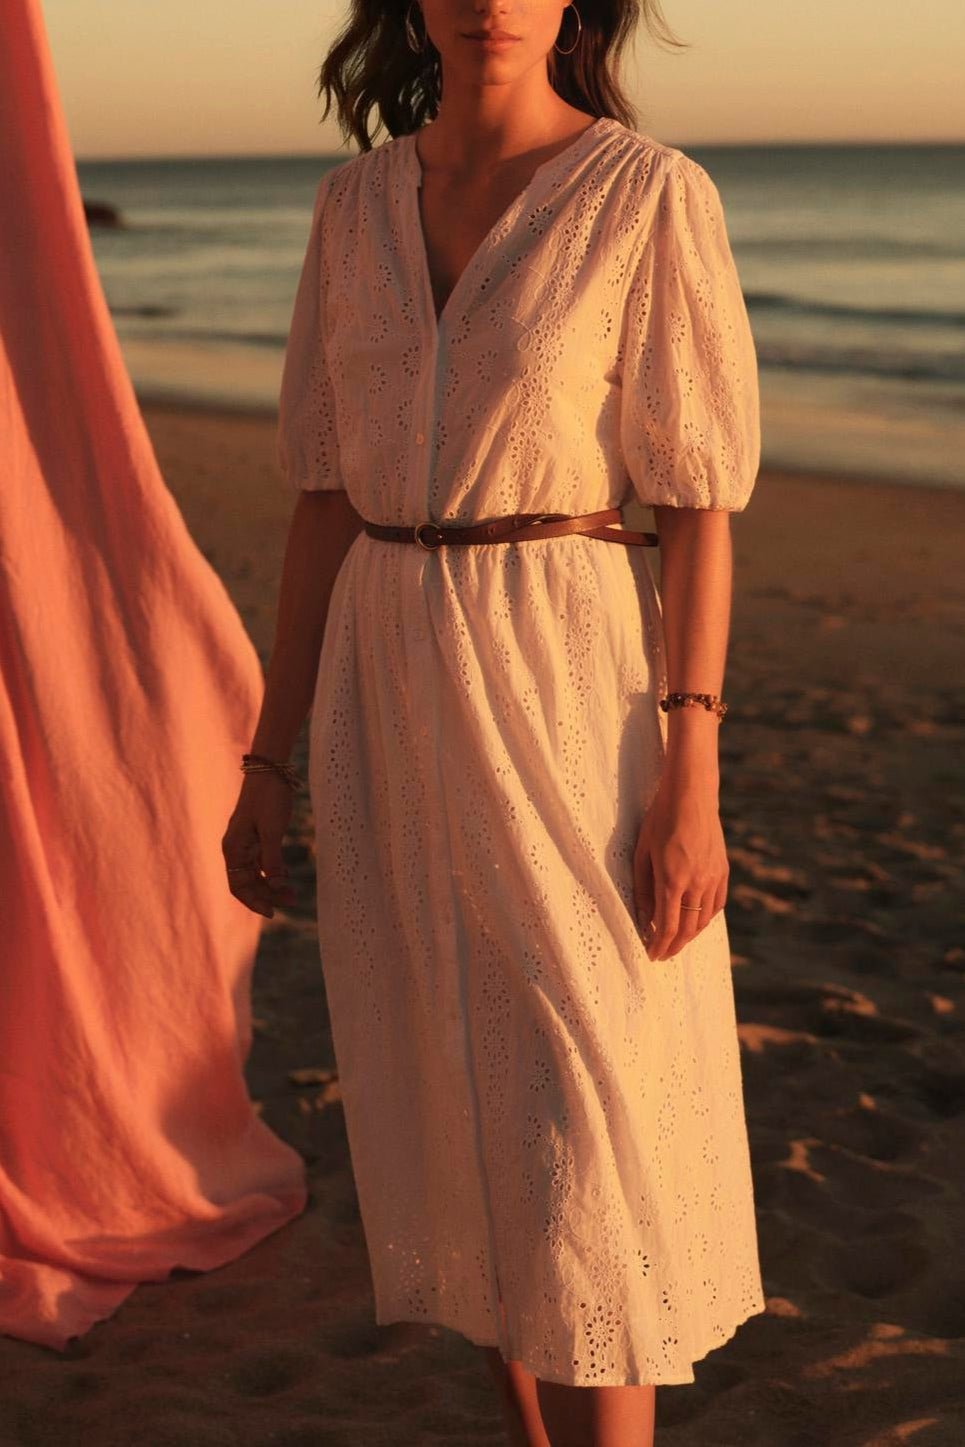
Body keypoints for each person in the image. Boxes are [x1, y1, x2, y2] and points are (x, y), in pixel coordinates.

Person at [221, 0, 767, 1441]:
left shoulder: (647, 198)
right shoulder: (351, 209)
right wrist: (268, 759)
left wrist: (691, 766)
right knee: (437, 1069)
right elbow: (323, 497)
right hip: (385, 666)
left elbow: (697, 504)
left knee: (588, 1107)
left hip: (569, 672)